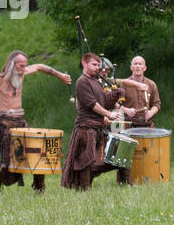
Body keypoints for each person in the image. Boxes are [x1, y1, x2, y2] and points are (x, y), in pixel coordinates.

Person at [0, 50, 72, 191]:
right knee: (4, 162)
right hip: (5, 124)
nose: (23, 68)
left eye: (25, 65)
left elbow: (39, 67)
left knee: (37, 154)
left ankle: (39, 189)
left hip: (21, 123)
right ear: (11, 65)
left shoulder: (21, 74)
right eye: (21, 65)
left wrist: (61, 76)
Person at [60, 53, 148, 190]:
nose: (97, 68)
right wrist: (108, 114)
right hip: (86, 128)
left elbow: (104, 101)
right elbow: (92, 104)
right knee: (86, 160)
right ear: (84, 63)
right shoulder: (82, 82)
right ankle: (84, 189)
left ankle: (127, 186)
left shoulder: (96, 81)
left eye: (98, 65)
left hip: (99, 128)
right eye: (94, 65)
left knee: (120, 155)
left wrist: (116, 94)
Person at [120, 56, 161, 128]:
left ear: (145, 68)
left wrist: (151, 112)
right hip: (128, 124)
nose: (138, 66)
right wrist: (126, 110)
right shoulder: (124, 84)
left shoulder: (151, 84)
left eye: (140, 64)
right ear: (131, 67)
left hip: (146, 123)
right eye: (135, 64)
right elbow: (116, 105)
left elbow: (156, 104)